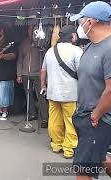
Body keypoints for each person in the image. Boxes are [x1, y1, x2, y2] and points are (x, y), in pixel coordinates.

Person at [70, 1, 111, 179]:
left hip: (98, 120)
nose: (79, 25)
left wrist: (96, 114)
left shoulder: (109, 48)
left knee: (82, 169)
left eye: (81, 21)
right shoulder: (89, 46)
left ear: (91, 22)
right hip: (85, 117)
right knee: (101, 159)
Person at [41, 25, 83, 159]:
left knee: (54, 120)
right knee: (70, 121)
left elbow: (43, 71)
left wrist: (43, 86)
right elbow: (82, 72)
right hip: (70, 94)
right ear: (72, 36)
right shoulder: (76, 51)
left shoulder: (50, 51)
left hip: (53, 93)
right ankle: (69, 149)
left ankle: (56, 145)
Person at [17, 26, 48, 128]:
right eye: (29, 30)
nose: (31, 32)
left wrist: (44, 74)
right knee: (28, 95)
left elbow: (44, 58)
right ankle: (32, 114)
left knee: (41, 96)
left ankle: (44, 118)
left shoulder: (40, 41)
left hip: (38, 74)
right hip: (26, 73)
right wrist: (19, 74)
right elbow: (20, 59)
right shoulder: (24, 43)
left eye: (33, 30)